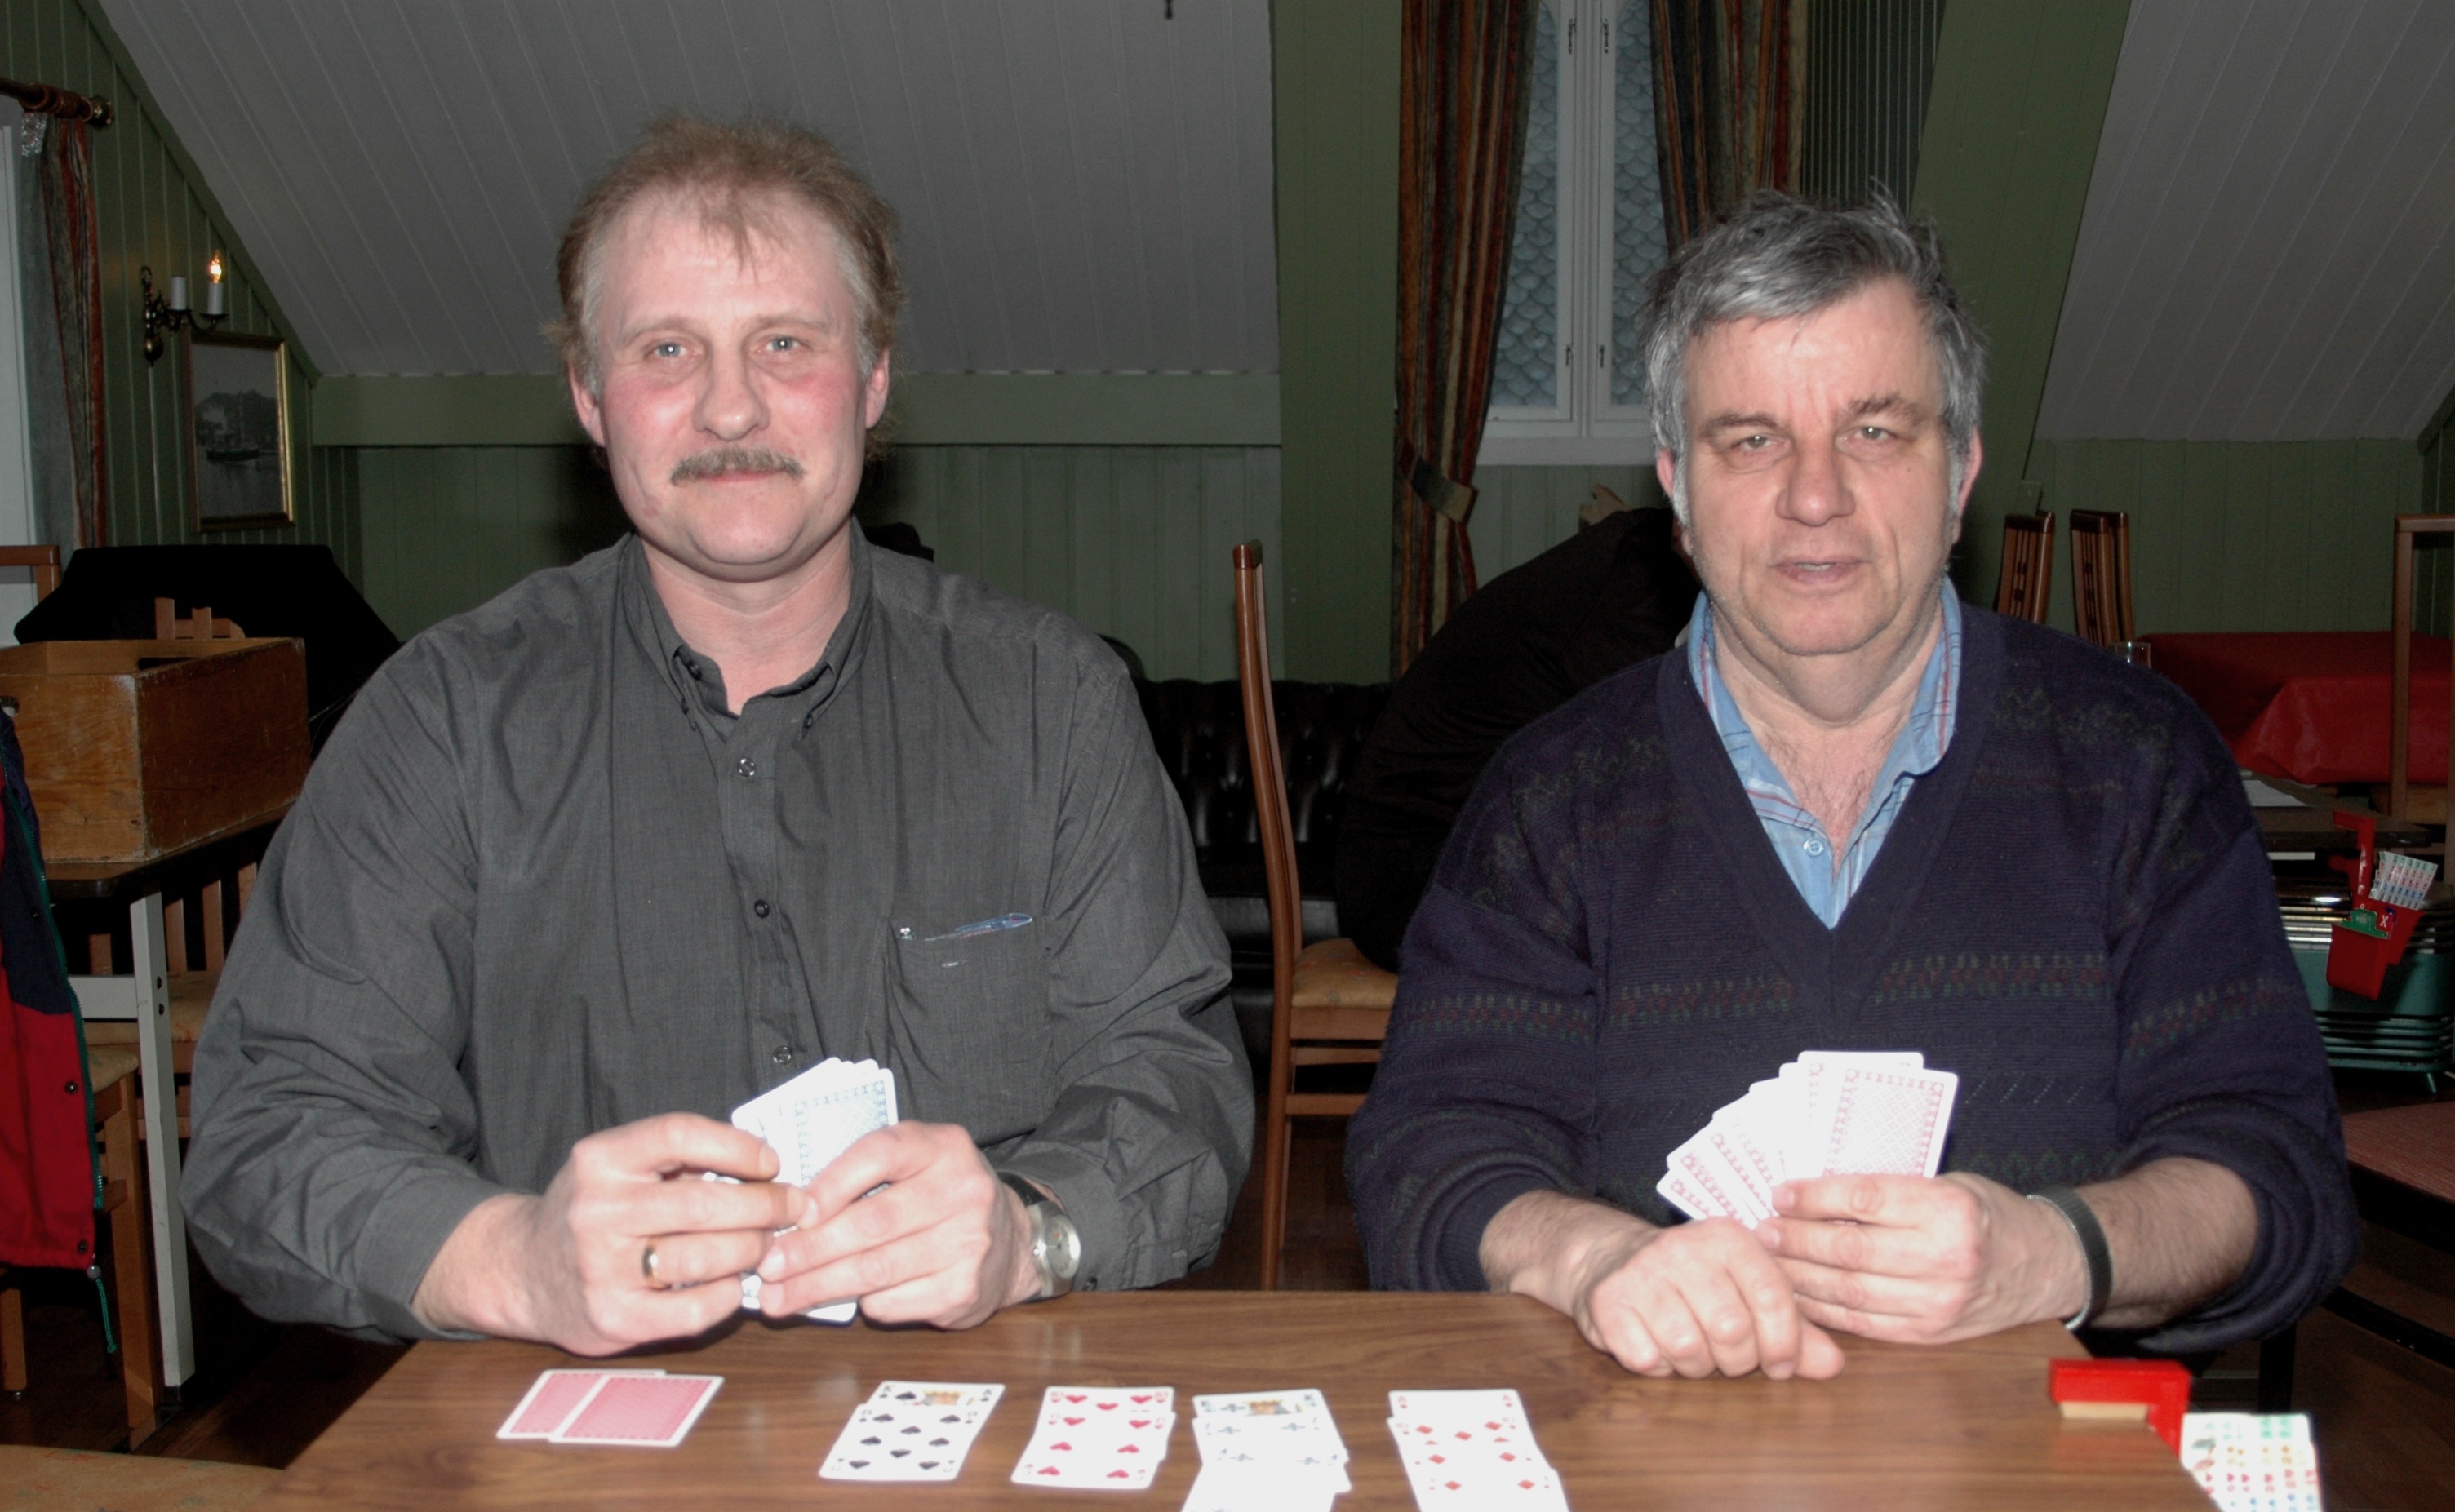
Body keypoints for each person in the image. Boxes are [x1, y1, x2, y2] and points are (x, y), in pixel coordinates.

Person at [182, 117, 1251, 1353]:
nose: (731, 406)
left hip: (980, 1420)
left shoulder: (1051, 702)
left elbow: (1177, 1078)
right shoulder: (441, 723)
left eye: (785, 343)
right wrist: (512, 1261)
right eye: (667, 349)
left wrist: (1031, 1228)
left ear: (873, 379)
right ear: (591, 397)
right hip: (562, 1443)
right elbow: (272, 1128)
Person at [1345, 193, 2356, 1380]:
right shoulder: (1549, 795)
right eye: (1750, 440)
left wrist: (2055, 1251)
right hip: (1641, 1467)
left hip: (2035, 1477)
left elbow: (2276, 1168)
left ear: (1960, 469)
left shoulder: (2138, 762)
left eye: (1874, 431)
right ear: (1677, 491)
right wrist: (1589, 1257)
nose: (1814, 495)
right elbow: (1426, 1152)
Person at [1334, 499, 1698, 971]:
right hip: (1413, 882)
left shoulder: (1641, 566)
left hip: (1476, 863)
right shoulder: (1633, 594)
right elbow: (1663, 776)